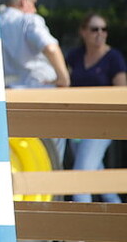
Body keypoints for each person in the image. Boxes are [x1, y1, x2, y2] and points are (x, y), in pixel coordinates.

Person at [65, 13, 126, 202]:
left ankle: (81, 221)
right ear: (83, 32)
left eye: (103, 29)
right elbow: (64, 83)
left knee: (81, 179)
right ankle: (117, 213)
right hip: (76, 124)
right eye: (94, 29)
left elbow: (121, 92)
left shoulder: (114, 58)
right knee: (97, 174)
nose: (100, 33)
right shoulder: (75, 56)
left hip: (102, 125)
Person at [0, 0, 71, 88]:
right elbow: (51, 48)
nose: (35, 9)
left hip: (8, 90)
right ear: (24, 2)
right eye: (33, 2)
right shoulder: (29, 20)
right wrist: (63, 78)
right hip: (39, 87)